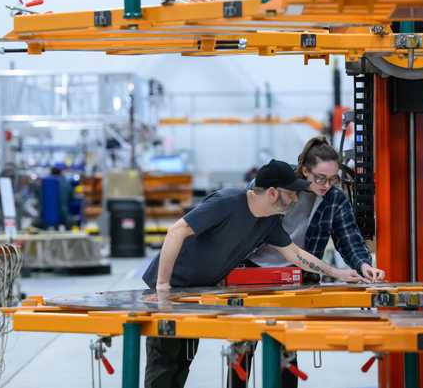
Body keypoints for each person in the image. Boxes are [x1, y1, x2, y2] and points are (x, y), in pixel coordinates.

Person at [142, 159, 365, 388]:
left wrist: (337, 272)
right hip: (171, 288)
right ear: (272, 193)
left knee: (182, 361)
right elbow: (176, 231)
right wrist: (162, 285)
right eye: (291, 193)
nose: (296, 199)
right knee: (165, 364)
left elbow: (295, 254)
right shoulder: (226, 202)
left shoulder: (268, 221)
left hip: (195, 293)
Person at [228, 136, 386, 388]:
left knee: (287, 350)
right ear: (304, 170)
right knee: (241, 350)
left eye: (332, 179)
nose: (326, 185)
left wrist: (363, 264)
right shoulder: (275, 183)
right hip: (251, 272)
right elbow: (242, 221)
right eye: (320, 178)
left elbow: (349, 239)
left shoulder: (334, 199)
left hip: (295, 277)